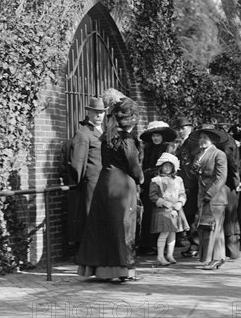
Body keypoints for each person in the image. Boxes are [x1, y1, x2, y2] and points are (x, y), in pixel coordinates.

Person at [76, 98, 144, 282]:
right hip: (122, 185)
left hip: (104, 182)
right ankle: (124, 270)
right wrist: (141, 179)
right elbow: (133, 166)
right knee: (123, 226)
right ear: (132, 121)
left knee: (102, 225)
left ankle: (100, 270)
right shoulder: (127, 139)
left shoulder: (106, 136)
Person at [189, 124, 228, 270]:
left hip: (215, 197)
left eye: (205, 138)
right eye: (200, 138)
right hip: (202, 195)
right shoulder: (199, 154)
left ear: (212, 140)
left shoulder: (219, 154)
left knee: (215, 228)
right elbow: (195, 175)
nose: (202, 141)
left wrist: (210, 194)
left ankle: (216, 258)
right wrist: (194, 170)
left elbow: (221, 177)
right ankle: (214, 258)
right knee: (207, 228)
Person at [68, 97, 106, 243]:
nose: (98, 115)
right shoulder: (83, 133)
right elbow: (77, 162)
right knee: (91, 216)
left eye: (101, 112)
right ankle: (90, 252)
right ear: (88, 113)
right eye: (95, 112)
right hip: (92, 182)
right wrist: (81, 182)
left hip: (105, 181)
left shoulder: (104, 132)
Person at [137, 121, 177, 255]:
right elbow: (142, 165)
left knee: (160, 215)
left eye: (158, 136)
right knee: (148, 214)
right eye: (153, 136)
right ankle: (147, 243)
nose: (155, 138)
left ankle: (157, 245)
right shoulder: (147, 148)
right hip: (148, 185)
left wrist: (148, 173)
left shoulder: (168, 148)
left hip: (162, 186)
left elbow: (166, 168)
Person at [149, 152, 189, 266]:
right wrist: (163, 202)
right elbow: (153, 195)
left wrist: (180, 203)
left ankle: (170, 255)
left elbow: (182, 193)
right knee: (164, 232)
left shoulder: (178, 180)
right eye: (165, 165)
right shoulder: (156, 180)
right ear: (161, 166)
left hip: (175, 210)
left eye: (169, 166)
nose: (167, 168)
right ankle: (160, 256)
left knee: (173, 232)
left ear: (173, 167)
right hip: (163, 210)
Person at [210, 114, 241, 260]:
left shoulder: (224, 141)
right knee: (230, 217)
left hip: (227, 183)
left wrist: (235, 178)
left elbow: (230, 161)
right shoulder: (229, 139)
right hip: (229, 181)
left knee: (228, 216)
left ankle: (231, 251)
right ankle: (231, 251)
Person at [174, 117, 201, 258]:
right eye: (178, 128)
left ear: (190, 127)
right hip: (183, 184)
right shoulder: (182, 144)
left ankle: (195, 244)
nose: (180, 131)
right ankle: (193, 243)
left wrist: (188, 185)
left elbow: (193, 165)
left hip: (192, 184)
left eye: (183, 128)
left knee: (193, 215)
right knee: (189, 215)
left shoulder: (193, 142)